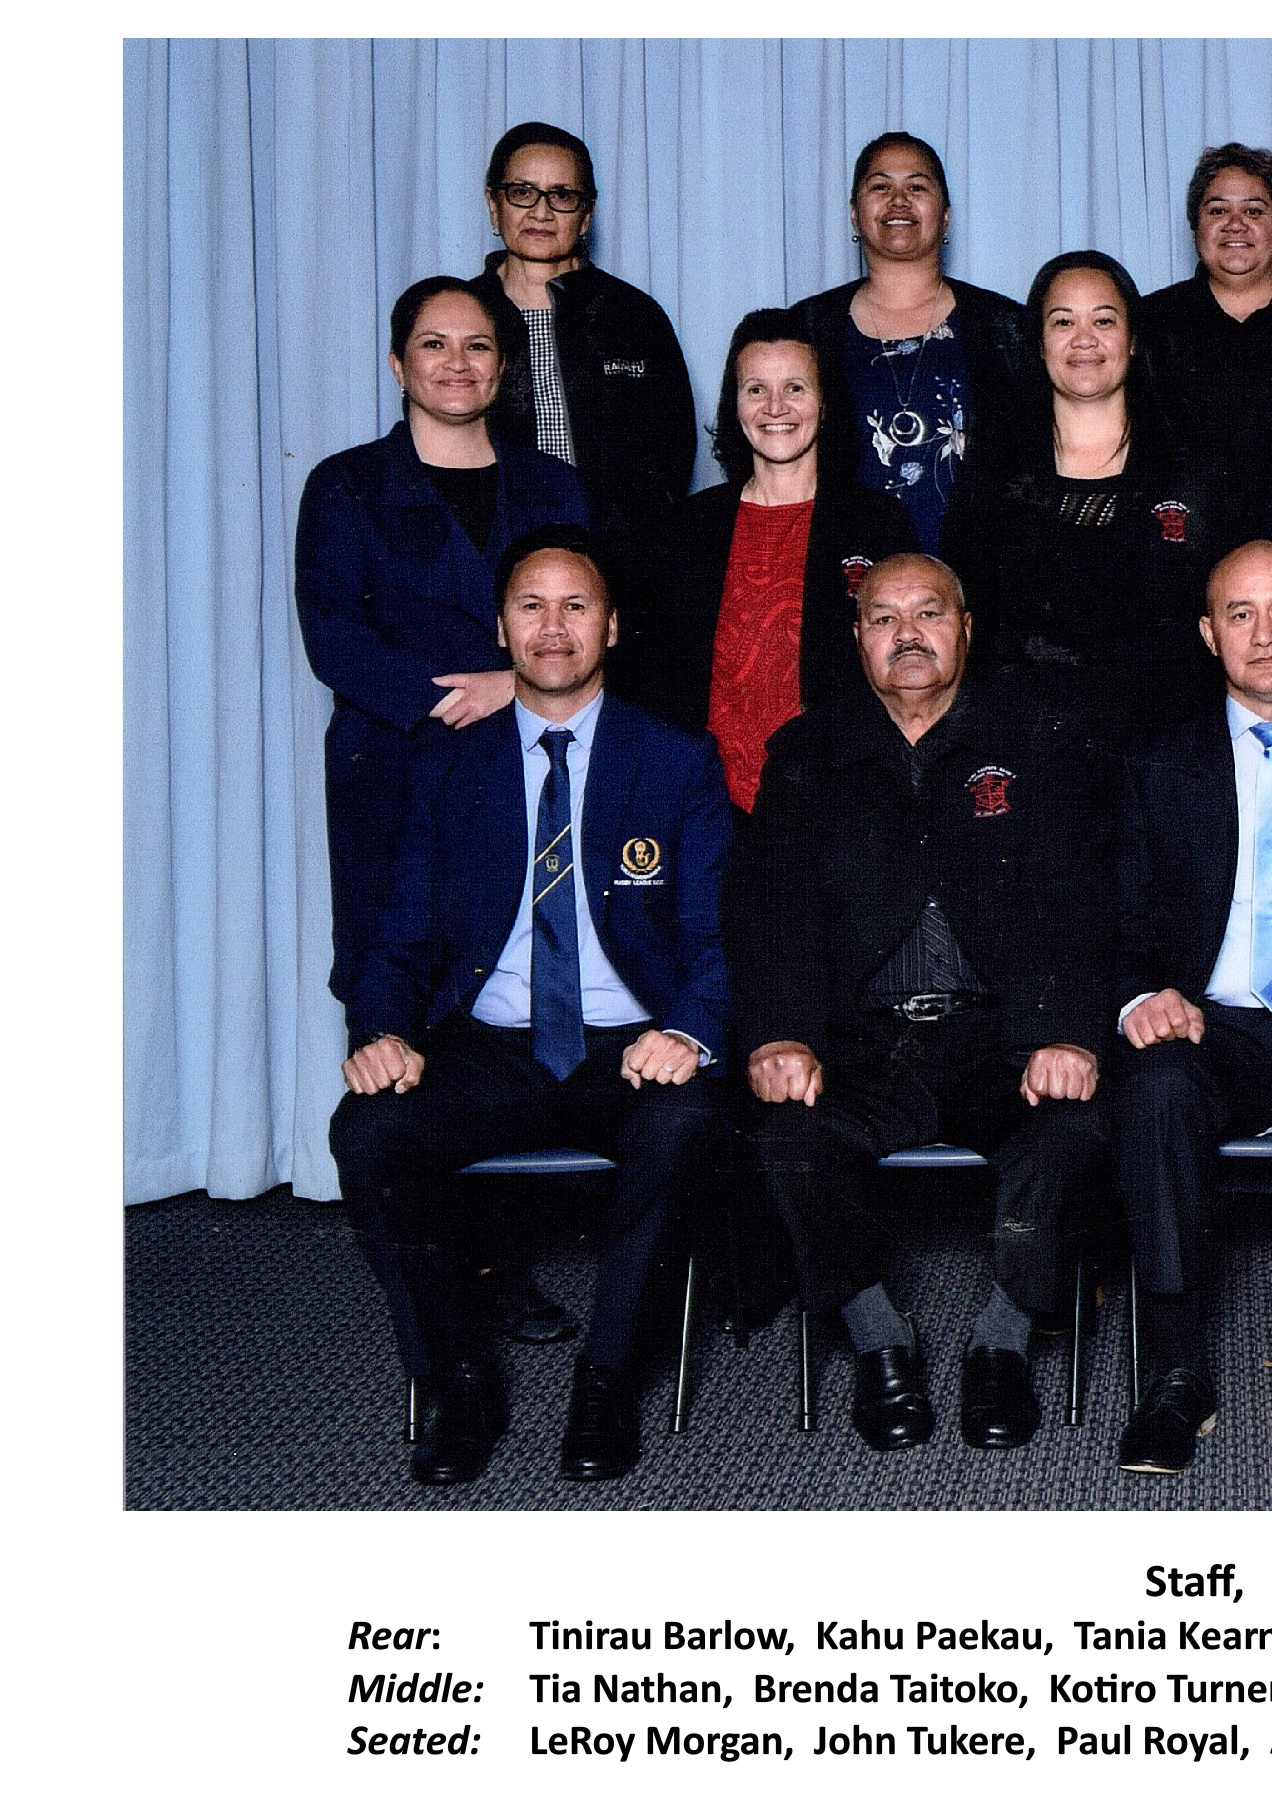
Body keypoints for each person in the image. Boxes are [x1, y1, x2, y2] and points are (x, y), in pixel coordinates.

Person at [329, 525, 731, 1486]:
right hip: (489, 1044)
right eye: (532, 607)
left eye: (576, 606)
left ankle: (605, 1382)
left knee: (682, 1123)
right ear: (502, 629)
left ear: (612, 626)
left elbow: (720, 934)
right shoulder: (446, 766)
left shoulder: (677, 760)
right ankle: (459, 1381)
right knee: (369, 1131)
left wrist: (688, 1029)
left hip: (627, 1042)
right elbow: (397, 933)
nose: (554, 628)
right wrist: (382, 1032)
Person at [731, 553, 1109, 1454]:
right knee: (786, 1132)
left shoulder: (1038, 738)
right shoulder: (807, 750)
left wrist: (1064, 1033)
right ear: (857, 638)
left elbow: (1081, 898)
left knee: (1074, 1124)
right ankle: (878, 1340)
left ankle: (1002, 1344)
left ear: (965, 629)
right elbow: (768, 908)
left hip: (997, 1036)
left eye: (929, 613)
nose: (908, 634)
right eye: (884, 618)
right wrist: (781, 1035)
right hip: (864, 1045)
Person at [295, 276, 588, 1004]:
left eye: (478, 346)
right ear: (398, 364)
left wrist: (511, 687)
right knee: (390, 987)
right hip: (394, 761)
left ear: (504, 365)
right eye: (434, 344)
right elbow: (333, 637)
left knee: (524, 978)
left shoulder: (555, 486)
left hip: (530, 758)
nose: (457, 362)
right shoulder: (346, 483)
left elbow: (594, 621)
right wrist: (461, 696)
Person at [1111, 539, 1272, 1475]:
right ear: (1210, 635)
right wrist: (1142, 995)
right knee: (1159, 1086)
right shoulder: (1159, 760)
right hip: (1216, 1027)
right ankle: (1174, 1373)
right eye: (1241, 613)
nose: (1264, 634)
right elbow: (1116, 916)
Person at [944, 251, 1237, 746]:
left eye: (1104, 320)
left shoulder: (1193, 464)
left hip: (1169, 744)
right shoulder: (994, 470)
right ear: (1038, 344)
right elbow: (967, 617)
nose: (1084, 339)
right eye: (1063, 322)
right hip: (1027, 744)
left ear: (1133, 338)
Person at [644, 309, 917, 813]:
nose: (775, 407)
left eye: (795, 388)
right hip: (708, 808)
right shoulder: (686, 528)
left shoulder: (877, 522)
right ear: (734, 404)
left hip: (838, 803)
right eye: (756, 390)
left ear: (824, 402)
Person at [796, 132, 1028, 553]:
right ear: (854, 215)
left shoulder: (1006, 326)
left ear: (946, 216)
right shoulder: (807, 327)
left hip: (979, 570)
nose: (899, 201)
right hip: (843, 565)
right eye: (880, 187)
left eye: (917, 187)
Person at [471, 121, 698, 541]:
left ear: (586, 216)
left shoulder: (633, 316)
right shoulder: (461, 315)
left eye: (562, 196)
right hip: (493, 550)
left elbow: (673, 452)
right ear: (493, 204)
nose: (541, 213)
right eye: (522, 192)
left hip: (612, 556)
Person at [1140, 144, 1272, 530]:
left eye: (1254, 211)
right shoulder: (1148, 323)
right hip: (1181, 544)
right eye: (1217, 210)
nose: (1235, 224)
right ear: (1195, 226)